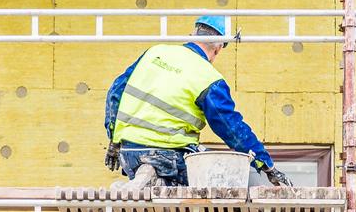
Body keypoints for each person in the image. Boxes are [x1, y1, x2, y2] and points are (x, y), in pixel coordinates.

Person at [104, 15, 293, 190]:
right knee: (210, 181)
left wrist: (113, 139)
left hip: (128, 153)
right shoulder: (208, 77)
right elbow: (232, 129)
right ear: (218, 48)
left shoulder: (155, 53)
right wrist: (266, 165)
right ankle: (159, 179)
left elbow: (115, 92)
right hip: (168, 157)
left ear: (192, 35)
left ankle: (145, 179)